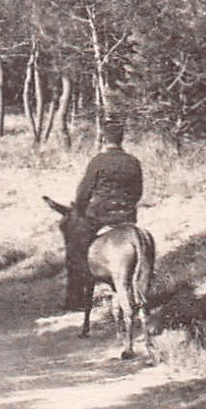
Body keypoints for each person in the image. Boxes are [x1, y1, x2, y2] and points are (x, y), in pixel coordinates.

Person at [63, 118, 143, 310]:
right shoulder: (133, 162)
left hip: (101, 217)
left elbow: (83, 193)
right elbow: (138, 192)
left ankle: (76, 299)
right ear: (121, 138)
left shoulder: (98, 162)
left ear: (103, 139)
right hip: (128, 216)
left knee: (75, 249)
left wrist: (80, 210)